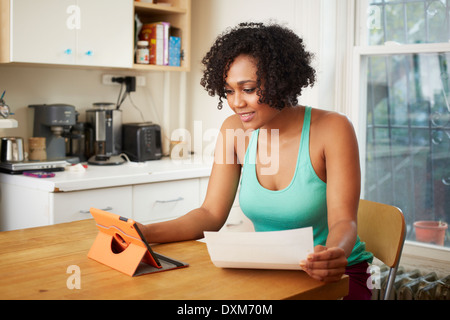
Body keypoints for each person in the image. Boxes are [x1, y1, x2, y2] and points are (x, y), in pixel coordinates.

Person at [139, 22, 374, 300]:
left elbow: (343, 222)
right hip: (271, 272)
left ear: (280, 82)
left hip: (339, 275)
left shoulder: (332, 129)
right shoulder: (234, 130)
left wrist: (334, 255)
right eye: (228, 91)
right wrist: (143, 232)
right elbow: (210, 215)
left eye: (248, 89)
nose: (236, 102)